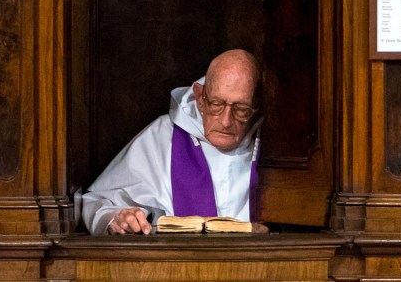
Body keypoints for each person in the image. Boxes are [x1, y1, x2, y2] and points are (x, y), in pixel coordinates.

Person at [82, 49, 266, 235]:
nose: (226, 122)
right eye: (217, 104)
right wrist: (118, 218)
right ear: (200, 98)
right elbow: (100, 203)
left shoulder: (272, 144)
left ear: (256, 106)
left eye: (241, 109)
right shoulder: (162, 137)